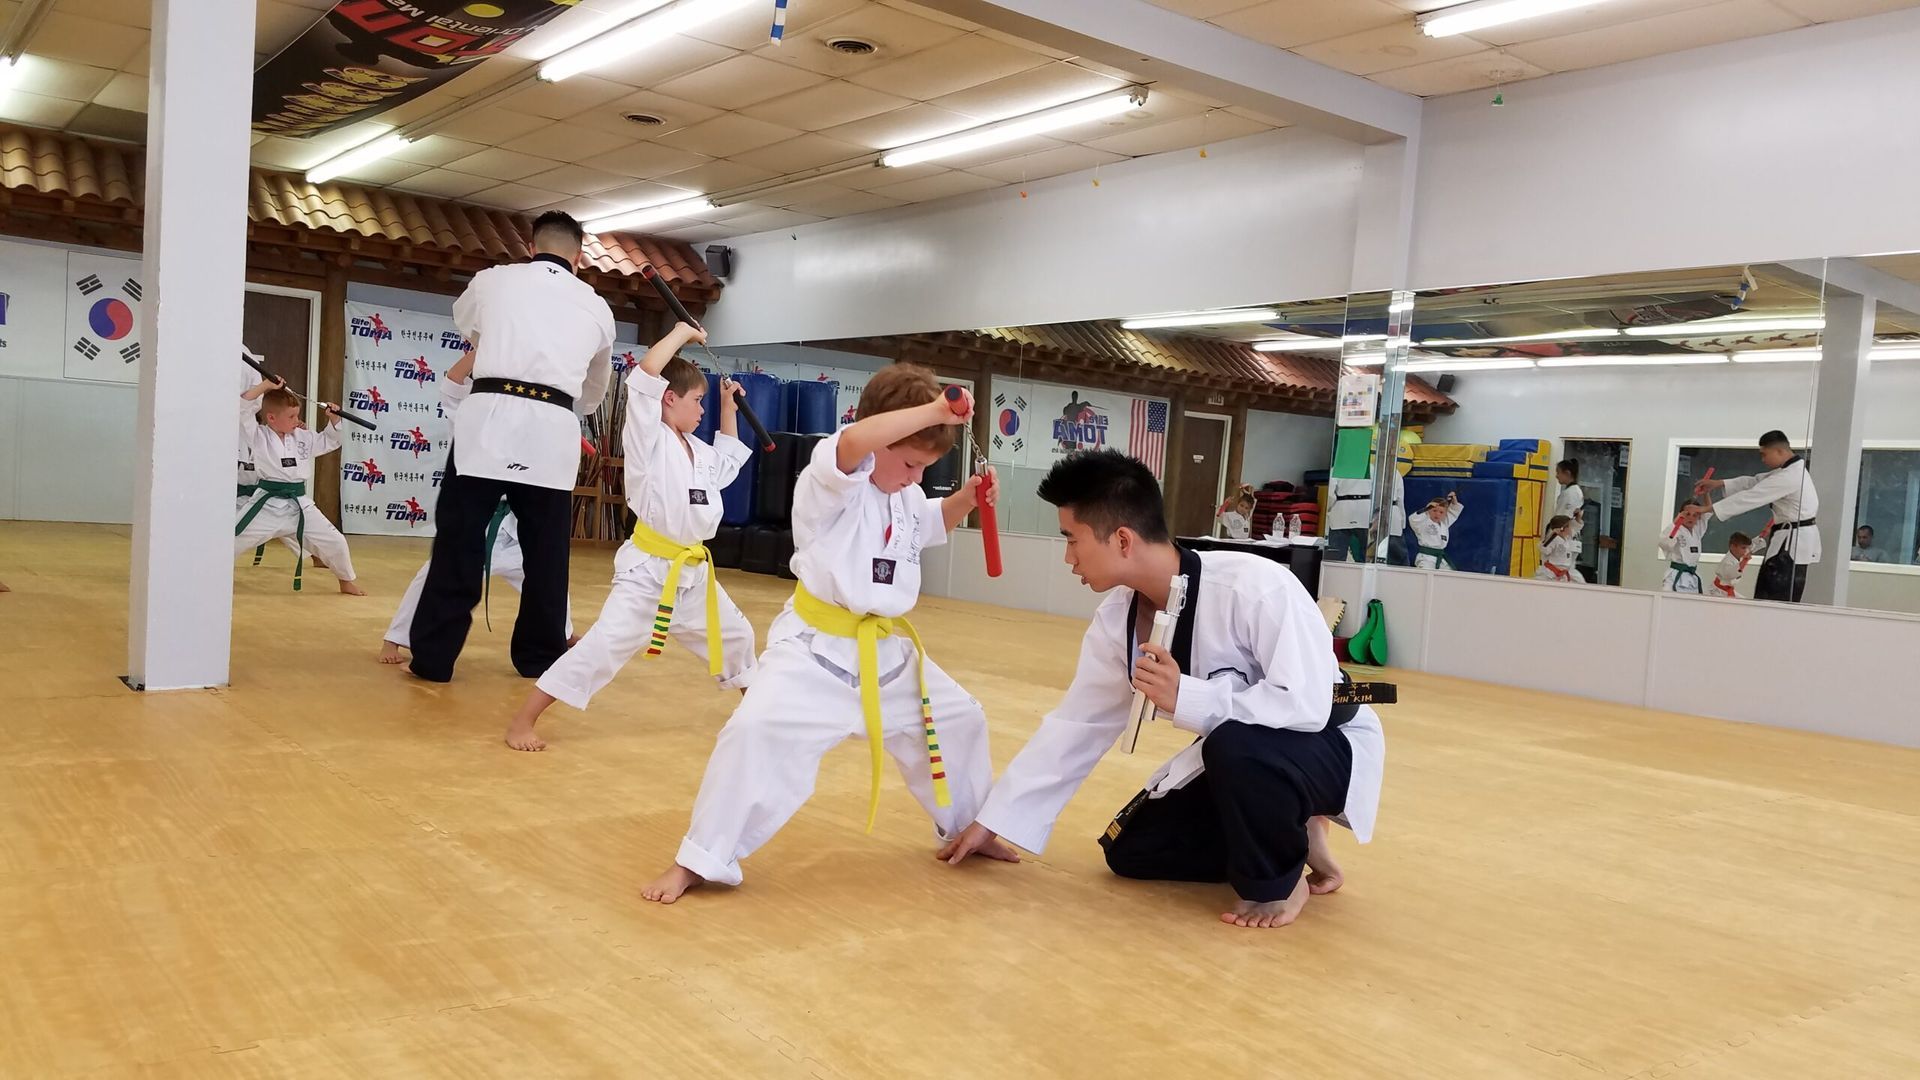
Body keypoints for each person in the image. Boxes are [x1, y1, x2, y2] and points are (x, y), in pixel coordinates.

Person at [937, 449, 1384, 929]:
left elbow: (1308, 704)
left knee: (1236, 744)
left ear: (1123, 539)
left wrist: (1187, 697)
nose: (1068, 558)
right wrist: (995, 820)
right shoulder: (1118, 617)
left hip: (1328, 743)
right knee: (1132, 852)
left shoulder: (1254, 586)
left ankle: (1278, 880)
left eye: (1072, 540)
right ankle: (1293, 832)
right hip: (1241, 760)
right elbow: (1078, 724)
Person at [642, 366, 1001, 904]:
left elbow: (930, 524)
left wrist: (968, 498)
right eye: (909, 463)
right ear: (883, 434)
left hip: (888, 655)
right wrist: (935, 410)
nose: (913, 477)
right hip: (814, 653)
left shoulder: (903, 494)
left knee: (961, 717)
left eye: (924, 468)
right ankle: (701, 859)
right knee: (753, 732)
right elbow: (855, 440)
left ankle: (972, 827)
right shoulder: (829, 479)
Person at [504, 322, 758, 752]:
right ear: (669, 399)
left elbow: (729, 458)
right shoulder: (648, 438)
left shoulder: (697, 451)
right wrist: (681, 332)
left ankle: (757, 721)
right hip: (648, 576)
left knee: (737, 637)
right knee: (601, 649)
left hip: (693, 576)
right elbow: (647, 372)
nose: (702, 411)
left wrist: (728, 406)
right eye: (697, 401)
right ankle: (522, 722)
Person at [408, 210, 615, 682]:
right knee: (545, 554)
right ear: (579, 257)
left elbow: (468, 326)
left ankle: (434, 660)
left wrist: (505, 341)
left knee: (458, 544)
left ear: (530, 246)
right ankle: (539, 659)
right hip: (552, 428)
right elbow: (593, 390)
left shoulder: (492, 280)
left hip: (488, 422)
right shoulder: (597, 306)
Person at [380, 349, 575, 665]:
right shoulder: (471, 413)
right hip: (477, 526)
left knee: (547, 577)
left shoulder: (534, 421)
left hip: (513, 531)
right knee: (433, 576)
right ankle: (395, 639)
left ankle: (560, 634)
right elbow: (453, 383)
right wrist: (485, 346)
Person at [234, 376, 365, 595]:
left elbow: (330, 441)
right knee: (229, 539)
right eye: (292, 416)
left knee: (336, 541)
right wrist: (266, 386)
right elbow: (243, 408)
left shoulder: (302, 437)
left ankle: (346, 580)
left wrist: (333, 420)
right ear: (271, 418)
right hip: (265, 505)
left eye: (297, 415)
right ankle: (210, 576)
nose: (297, 420)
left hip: (300, 505)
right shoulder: (258, 435)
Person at [1695, 431, 1819, 603]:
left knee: (1775, 597)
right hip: (1788, 539)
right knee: (1768, 592)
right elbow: (1754, 482)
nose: (1762, 459)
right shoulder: (1788, 471)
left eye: (1764, 454)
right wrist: (1719, 483)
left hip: (1791, 545)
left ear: (1779, 451)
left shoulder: (1790, 476)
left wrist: (1707, 509)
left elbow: (1752, 496)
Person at [1325, 459, 1406, 563]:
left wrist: (1330, 509)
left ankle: (1334, 574)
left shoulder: (1337, 469)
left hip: (1342, 510)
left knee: (1336, 554)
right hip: (1365, 511)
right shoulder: (1372, 469)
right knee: (1367, 552)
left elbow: (1330, 495)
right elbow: (1380, 493)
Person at [1659, 502, 1708, 593]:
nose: (1691, 518)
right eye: (1687, 514)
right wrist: (1676, 522)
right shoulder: (1677, 529)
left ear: (1699, 517)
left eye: (1695, 515)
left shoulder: (1697, 530)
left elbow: (1708, 511)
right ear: (1681, 514)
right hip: (1675, 576)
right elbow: (1664, 543)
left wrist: (1706, 493)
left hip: (1692, 578)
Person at [1409, 493, 1463, 570]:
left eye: (1441, 512)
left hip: (1440, 559)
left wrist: (1454, 502)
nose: (1437, 514)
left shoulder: (1444, 523)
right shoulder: (1422, 523)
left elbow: (1453, 513)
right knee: (1426, 576)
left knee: (1450, 576)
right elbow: (1412, 519)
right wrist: (1426, 509)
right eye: (1434, 510)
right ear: (1428, 511)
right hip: (1426, 559)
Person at [1711, 531, 1761, 597]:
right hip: (1718, 592)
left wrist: (1763, 534)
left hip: (1727, 590)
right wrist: (1744, 561)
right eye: (1743, 548)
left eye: (1746, 548)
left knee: (1745, 603)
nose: (1746, 550)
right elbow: (1730, 574)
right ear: (1733, 547)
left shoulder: (1738, 553)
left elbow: (1753, 546)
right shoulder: (1727, 562)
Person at [1535, 515, 1582, 583]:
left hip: (1564, 573)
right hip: (1549, 574)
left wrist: (1579, 517)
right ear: (1562, 528)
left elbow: (1577, 527)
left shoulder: (1568, 538)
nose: (1571, 528)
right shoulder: (1553, 539)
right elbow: (1544, 549)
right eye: (1570, 526)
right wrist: (1551, 536)